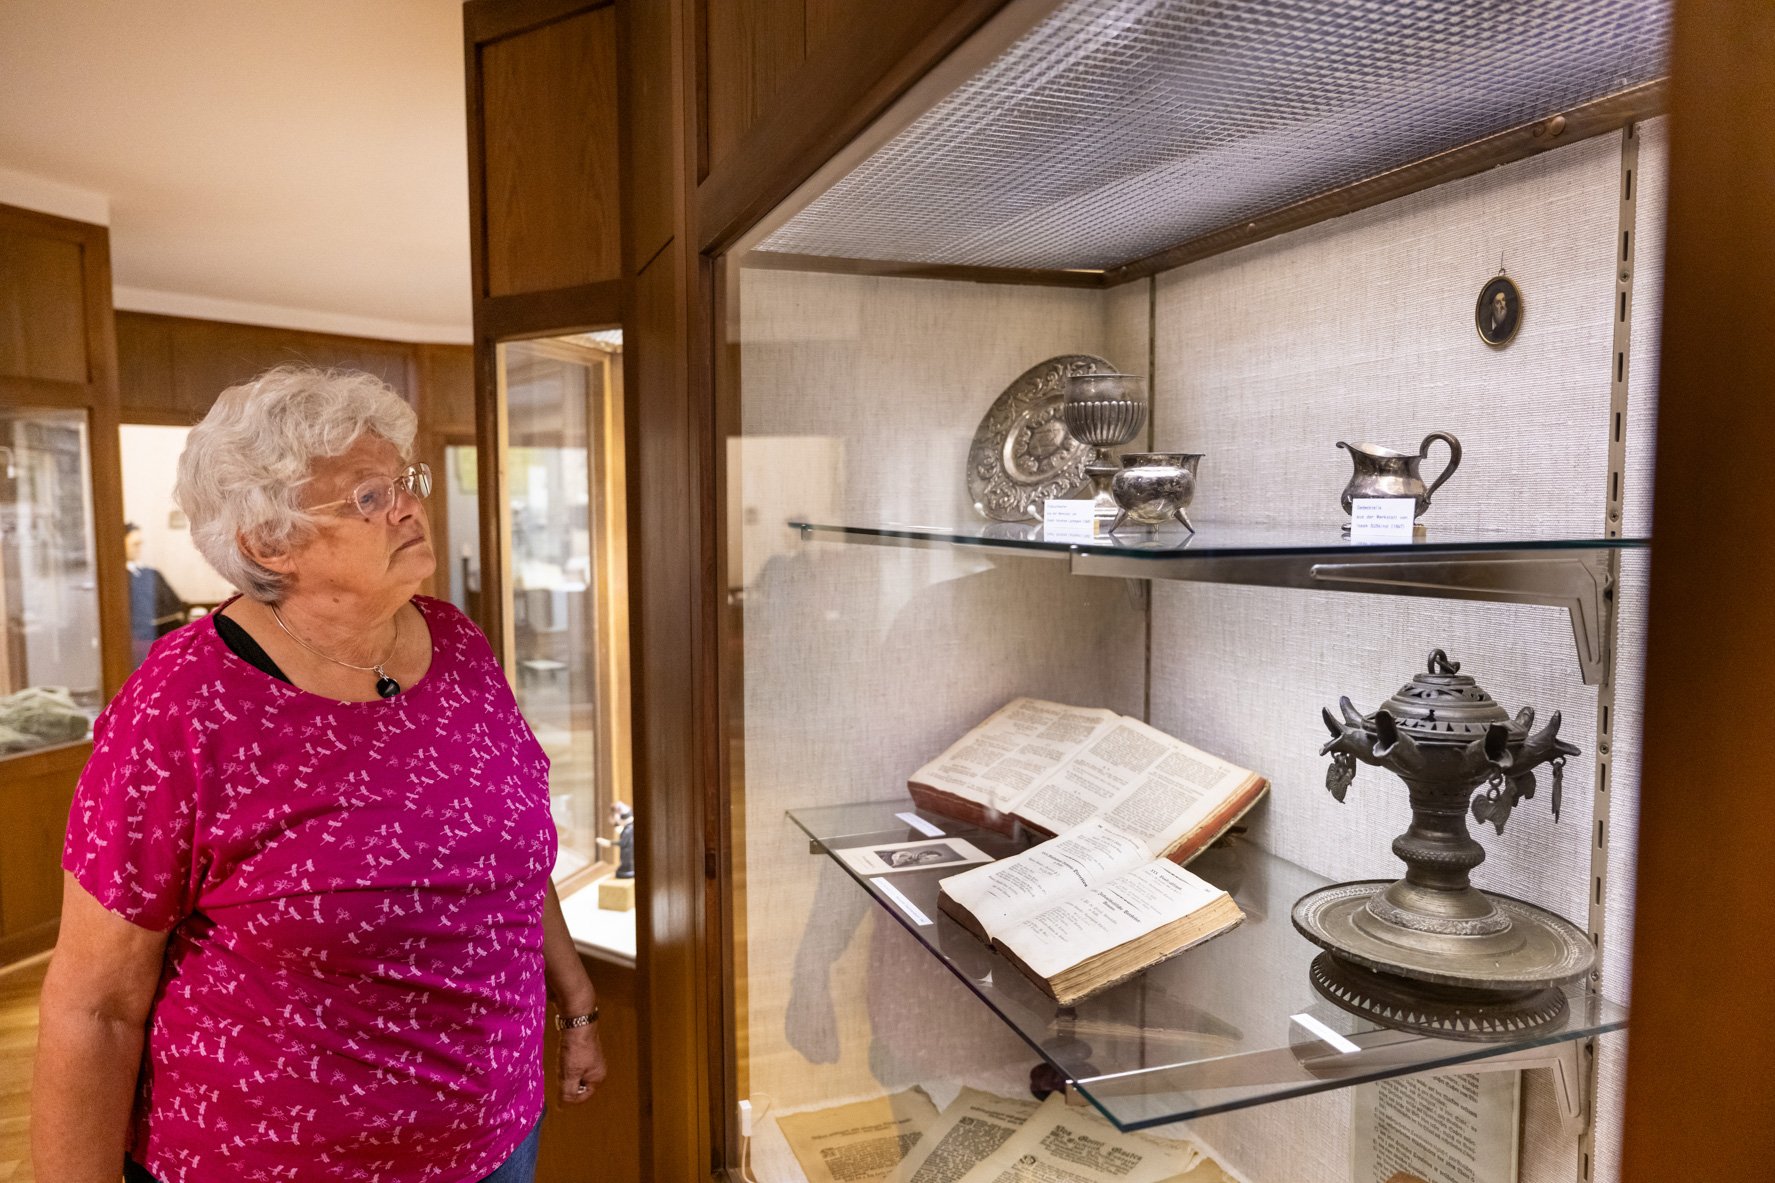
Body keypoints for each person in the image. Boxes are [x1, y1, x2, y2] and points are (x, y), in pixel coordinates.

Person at [33, 367, 606, 1183]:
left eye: (403, 481)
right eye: (369, 496)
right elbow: (95, 1006)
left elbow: (504, 845)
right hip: (272, 1161)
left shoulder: (457, 643)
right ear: (269, 544)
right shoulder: (183, 705)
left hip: (496, 1140)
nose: (408, 505)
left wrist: (575, 998)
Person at [123, 522, 187, 667]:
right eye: (134, 543)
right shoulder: (118, 580)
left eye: (140, 543)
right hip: (139, 640)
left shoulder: (152, 574)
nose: (139, 547)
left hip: (165, 635)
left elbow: (175, 605)